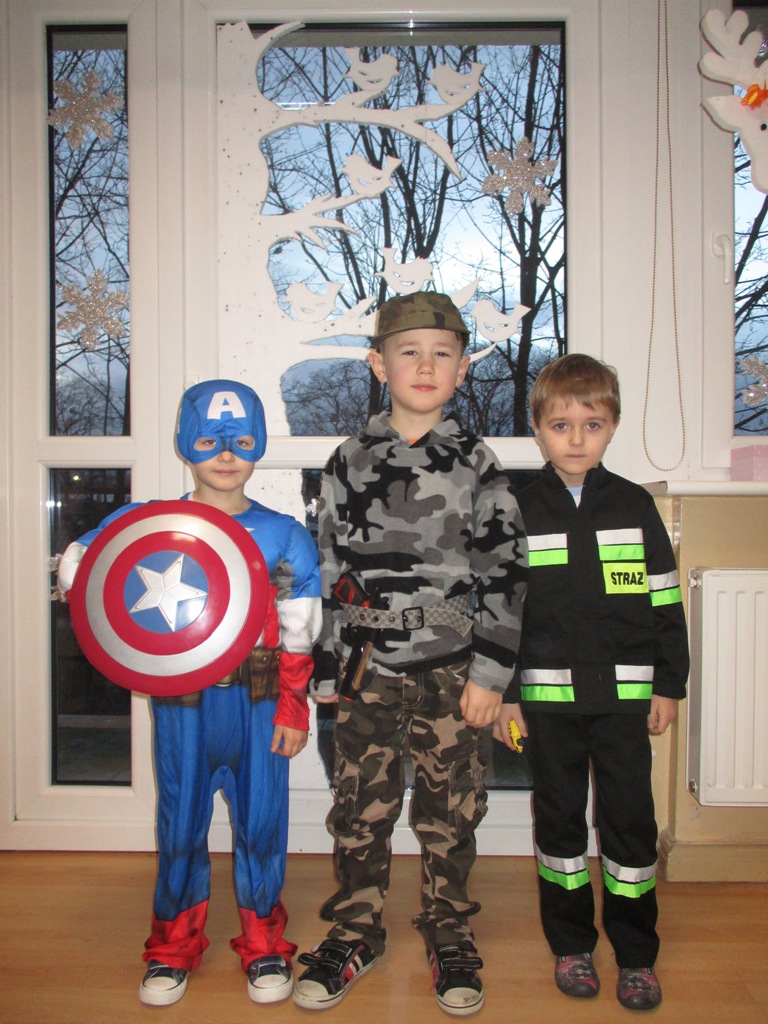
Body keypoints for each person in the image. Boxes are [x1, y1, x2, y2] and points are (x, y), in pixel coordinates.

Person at [293, 292, 528, 1016]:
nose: (425, 366)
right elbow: (327, 566)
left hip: (453, 667)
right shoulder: (348, 460)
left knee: (451, 808)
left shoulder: (476, 463)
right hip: (366, 668)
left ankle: (448, 928)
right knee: (359, 807)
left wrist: (492, 674)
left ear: (462, 370)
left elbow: (506, 572)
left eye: (442, 354)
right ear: (378, 364)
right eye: (409, 352)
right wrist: (326, 664)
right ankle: (355, 929)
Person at [56, 379, 321, 1007]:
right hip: (183, 701)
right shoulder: (153, 525)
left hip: (259, 698)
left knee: (262, 822)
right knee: (179, 824)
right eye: (209, 442)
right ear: (185, 443)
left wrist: (292, 706)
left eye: (242, 442)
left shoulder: (284, 534)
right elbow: (82, 568)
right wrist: (114, 585)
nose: (226, 455)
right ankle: (173, 945)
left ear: (258, 446)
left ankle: (264, 942)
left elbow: (300, 632)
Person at [493, 354, 689, 1012]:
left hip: (624, 704)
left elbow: (664, 604)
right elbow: (503, 613)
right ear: (537, 429)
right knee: (559, 823)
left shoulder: (634, 506)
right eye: (561, 425)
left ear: (612, 427)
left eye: (592, 424)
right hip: (547, 707)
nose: (576, 439)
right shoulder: (518, 509)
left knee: (630, 824)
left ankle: (636, 954)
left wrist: (668, 684)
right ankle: (571, 944)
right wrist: (507, 693)